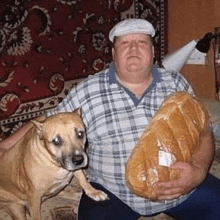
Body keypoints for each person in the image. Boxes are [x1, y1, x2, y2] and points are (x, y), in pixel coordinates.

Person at [1, 19, 220, 220]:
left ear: (153, 52)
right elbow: (49, 119)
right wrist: (8, 144)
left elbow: (203, 130)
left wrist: (198, 171)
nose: (134, 48)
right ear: (113, 53)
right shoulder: (88, 90)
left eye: (142, 42)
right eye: (125, 43)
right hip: (114, 193)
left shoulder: (176, 83)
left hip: (178, 186)